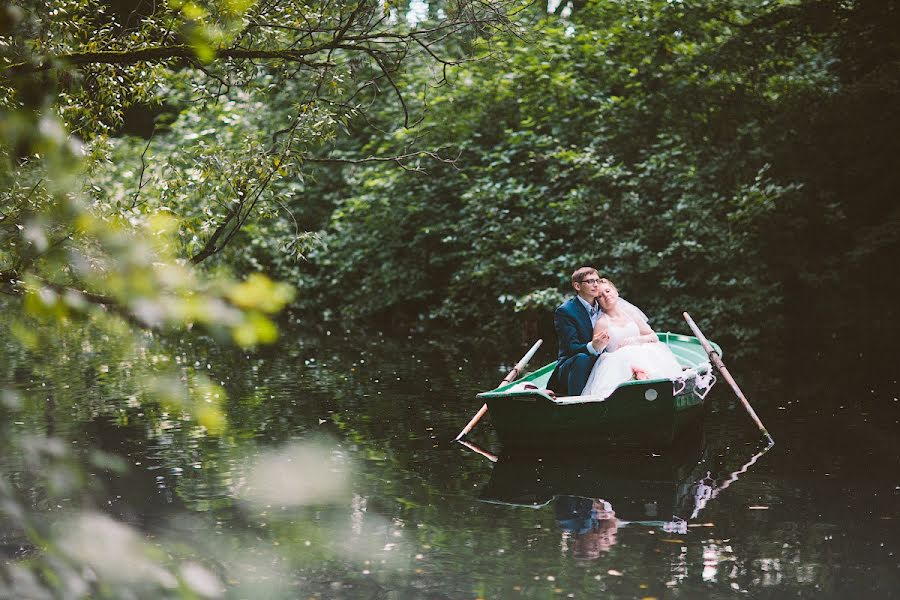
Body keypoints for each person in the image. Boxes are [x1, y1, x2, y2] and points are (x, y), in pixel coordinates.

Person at [581, 277, 684, 399]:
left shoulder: (630, 313)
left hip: (644, 354)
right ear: (597, 301)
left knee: (658, 373)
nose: (605, 296)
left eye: (608, 291)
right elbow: (597, 349)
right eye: (600, 296)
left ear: (615, 292)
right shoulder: (602, 322)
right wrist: (601, 343)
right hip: (617, 362)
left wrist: (636, 340)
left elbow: (653, 336)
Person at [546, 267, 610, 396]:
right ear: (577, 286)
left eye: (597, 280)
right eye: (590, 281)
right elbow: (570, 347)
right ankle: (576, 402)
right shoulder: (566, 311)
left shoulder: (605, 304)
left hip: (602, 361)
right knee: (582, 358)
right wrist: (593, 346)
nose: (596, 284)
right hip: (572, 365)